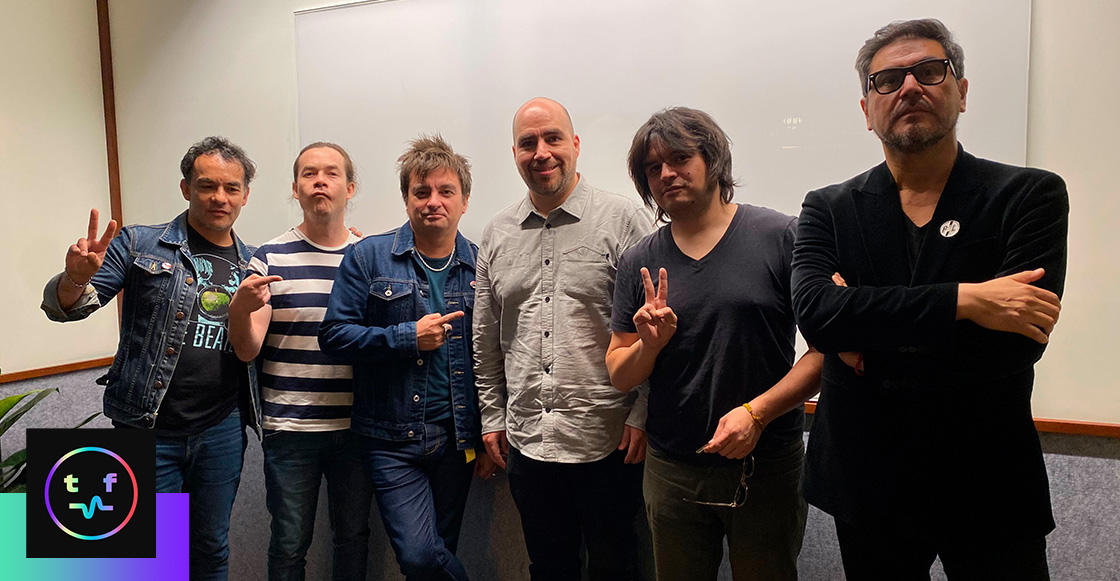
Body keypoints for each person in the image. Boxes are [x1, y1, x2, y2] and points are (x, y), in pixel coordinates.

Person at [791, 18, 1068, 580]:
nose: (910, 87)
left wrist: (862, 330)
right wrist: (966, 300)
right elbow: (817, 315)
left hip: (988, 479)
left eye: (929, 71)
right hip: (866, 480)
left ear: (961, 92)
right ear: (867, 109)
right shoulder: (828, 207)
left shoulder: (1028, 195)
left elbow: (1016, 344)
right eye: (888, 80)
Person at [606, 107, 822, 581]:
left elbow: (826, 352)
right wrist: (649, 346)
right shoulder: (639, 259)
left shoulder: (781, 236)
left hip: (765, 464)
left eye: (680, 158)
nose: (667, 173)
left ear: (714, 160)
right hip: (672, 469)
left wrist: (757, 413)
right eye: (653, 167)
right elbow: (620, 373)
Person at [42, 136, 261, 581]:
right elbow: (70, 308)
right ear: (186, 188)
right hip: (147, 426)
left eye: (231, 188)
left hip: (221, 429)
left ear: (245, 195)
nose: (219, 197)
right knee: (151, 557)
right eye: (207, 185)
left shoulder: (254, 263)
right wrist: (73, 278)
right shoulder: (140, 243)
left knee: (211, 547)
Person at [473, 97, 655, 581]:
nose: (541, 152)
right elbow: (486, 339)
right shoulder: (496, 234)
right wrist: (492, 416)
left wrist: (643, 412)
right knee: (549, 567)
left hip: (610, 440)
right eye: (527, 143)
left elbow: (657, 329)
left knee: (616, 566)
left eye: (552, 138)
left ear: (574, 144)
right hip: (528, 441)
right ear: (514, 153)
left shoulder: (624, 221)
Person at [319, 134, 492, 581]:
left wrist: (485, 433)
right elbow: (334, 336)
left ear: (465, 201)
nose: (433, 201)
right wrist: (406, 337)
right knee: (418, 555)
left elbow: (491, 356)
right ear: (406, 198)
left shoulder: (481, 265)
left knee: (438, 554)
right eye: (421, 192)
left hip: (457, 439)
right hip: (391, 438)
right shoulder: (369, 257)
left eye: (446, 191)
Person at [228, 142, 374, 580]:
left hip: (357, 428)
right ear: (296, 189)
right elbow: (247, 349)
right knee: (289, 545)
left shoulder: (370, 256)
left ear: (350, 188)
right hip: (290, 429)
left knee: (353, 537)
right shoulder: (269, 258)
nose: (319, 181)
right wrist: (239, 311)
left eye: (331, 173)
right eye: (309, 174)